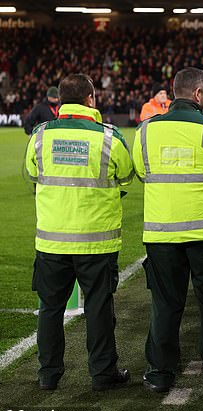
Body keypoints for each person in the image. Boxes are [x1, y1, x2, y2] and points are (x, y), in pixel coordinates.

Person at [132, 67, 203, 395]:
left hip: (162, 233)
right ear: (198, 94)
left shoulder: (145, 130)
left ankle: (159, 375)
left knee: (165, 305)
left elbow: (141, 172)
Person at [25, 74, 134, 391]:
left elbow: (33, 173)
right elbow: (126, 176)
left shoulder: (41, 135)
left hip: (51, 240)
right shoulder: (109, 137)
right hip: (96, 242)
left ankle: (48, 375)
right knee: (99, 309)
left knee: (50, 310)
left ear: (59, 100)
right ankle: (102, 374)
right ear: (91, 99)